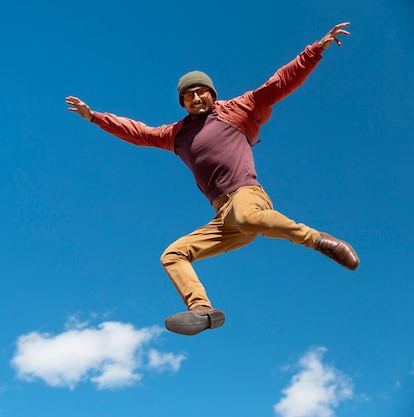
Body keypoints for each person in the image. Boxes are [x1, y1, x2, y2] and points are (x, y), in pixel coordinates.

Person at [65, 22, 359, 336]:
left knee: (247, 216)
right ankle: (202, 309)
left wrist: (315, 50)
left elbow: (280, 83)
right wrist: (95, 117)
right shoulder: (175, 135)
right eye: (188, 95)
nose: (195, 97)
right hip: (223, 216)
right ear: (183, 102)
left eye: (200, 91)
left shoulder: (238, 109)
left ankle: (319, 240)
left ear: (211, 93)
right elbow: (138, 132)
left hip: (247, 196)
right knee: (173, 255)